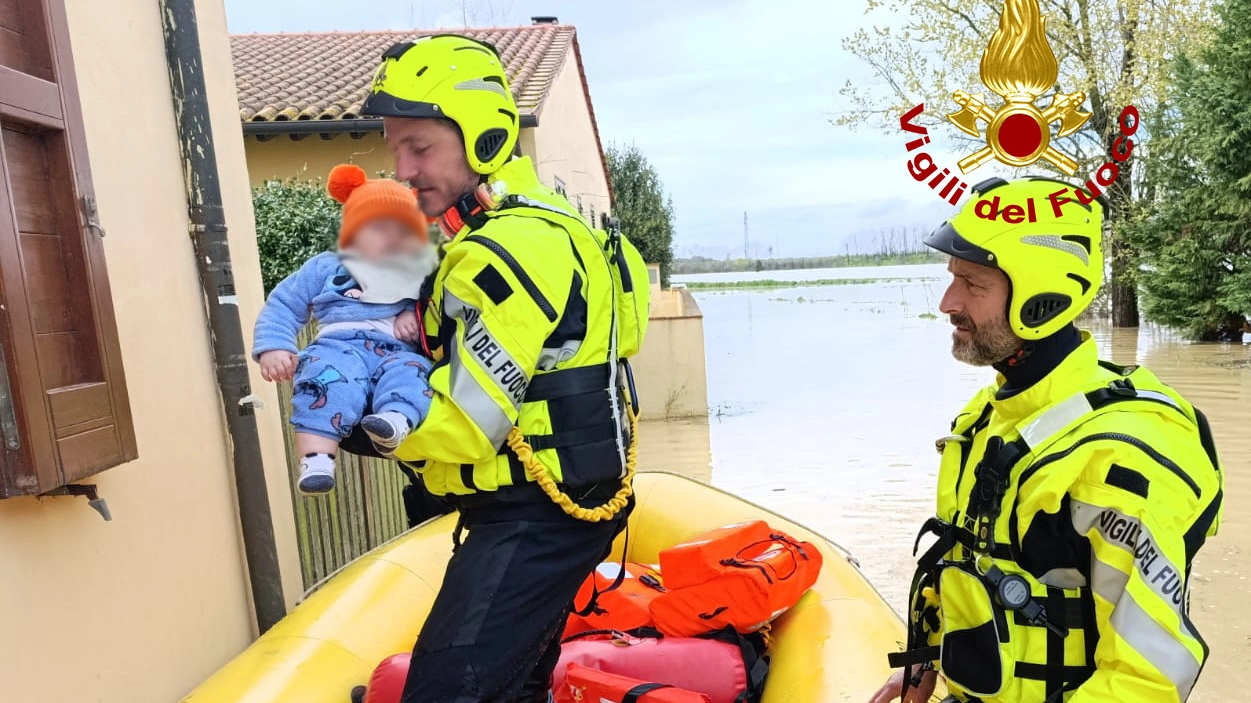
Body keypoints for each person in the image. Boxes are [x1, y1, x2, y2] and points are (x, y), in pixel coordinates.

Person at [358, 34, 650, 703]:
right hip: (565, 502)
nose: (399, 168)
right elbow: (619, 333)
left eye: (419, 147)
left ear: (485, 139)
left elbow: (466, 425)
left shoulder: (504, 250)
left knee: (444, 690)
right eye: (392, 145)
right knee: (513, 685)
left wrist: (353, 416)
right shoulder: (559, 224)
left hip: (533, 517)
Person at [870, 177, 1224, 703]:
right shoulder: (986, 418)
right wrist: (926, 662)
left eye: (973, 283)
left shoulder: (1117, 457)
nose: (948, 302)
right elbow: (964, 562)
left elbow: (1146, 679)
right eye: (952, 278)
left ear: (1041, 297)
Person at [254, 164, 437, 494]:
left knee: (414, 373)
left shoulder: (418, 269)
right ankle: (317, 459)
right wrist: (275, 346)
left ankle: (395, 420)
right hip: (339, 344)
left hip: (393, 351)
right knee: (324, 383)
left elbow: (437, 302)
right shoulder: (327, 266)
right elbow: (285, 302)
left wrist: (413, 312)